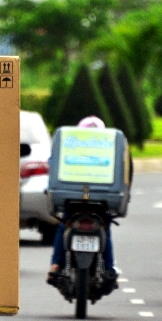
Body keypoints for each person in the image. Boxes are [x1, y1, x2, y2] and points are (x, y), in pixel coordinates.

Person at [47, 115, 120, 286]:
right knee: (105, 230)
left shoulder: (70, 147)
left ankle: (56, 264)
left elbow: (52, 165)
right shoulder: (108, 149)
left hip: (72, 201)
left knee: (63, 226)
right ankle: (109, 268)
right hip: (101, 201)